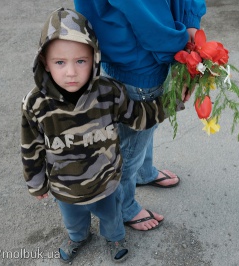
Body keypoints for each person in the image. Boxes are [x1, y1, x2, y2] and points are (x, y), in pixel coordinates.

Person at [20, 8, 166, 263]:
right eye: (59, 62)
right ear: (44, 62)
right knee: (74, 223)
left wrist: (171, 101)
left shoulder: (109, 92)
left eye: (81, 61)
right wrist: (36, 183)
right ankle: (78, 238)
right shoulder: (35, 104)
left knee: (112, 219)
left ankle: (114, 238)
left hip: (106, 182)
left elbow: (138, 116)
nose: (71, 72)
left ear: (94, 58)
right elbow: (31, 147)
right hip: (65, 189)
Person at [74, 0, 207, 231]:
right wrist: (183, 47)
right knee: (132, 140)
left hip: (147, 47)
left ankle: (143, 172)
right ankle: (125, 206)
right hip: (139, 55)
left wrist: (190, 22)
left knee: (145, 126)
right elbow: (143, 11)